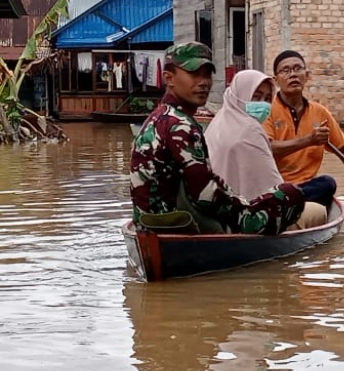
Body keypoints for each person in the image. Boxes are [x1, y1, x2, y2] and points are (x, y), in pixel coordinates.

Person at [130, 42, 308, 235]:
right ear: (169, 78)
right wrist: (247, 212)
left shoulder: (156, 117)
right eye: (194, 74)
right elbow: (205, 194)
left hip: (149, 223)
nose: (204, 82)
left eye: (207, 75)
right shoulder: (181, 125)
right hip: (183, 224)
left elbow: (205, 180)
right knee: (292, 194)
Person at [205, 69, 332, 229]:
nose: (262, 104)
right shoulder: (250, 130)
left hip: (221, 208)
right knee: (321, 202)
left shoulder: (218, 121)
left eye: (266, 99)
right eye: (256, 97)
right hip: (248, 216)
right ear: (239, 95)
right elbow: (276, 192)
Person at [265, 50, 344, 190]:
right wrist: (309, 140)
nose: (293, 75)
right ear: (276, 80)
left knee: (327, 183)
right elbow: (266, 148)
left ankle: (296, 200)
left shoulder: (320, 113)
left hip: (306, 187)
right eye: (286, 70)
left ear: (306, 75)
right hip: (275, 187)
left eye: (297, 69)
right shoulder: (267, 110)